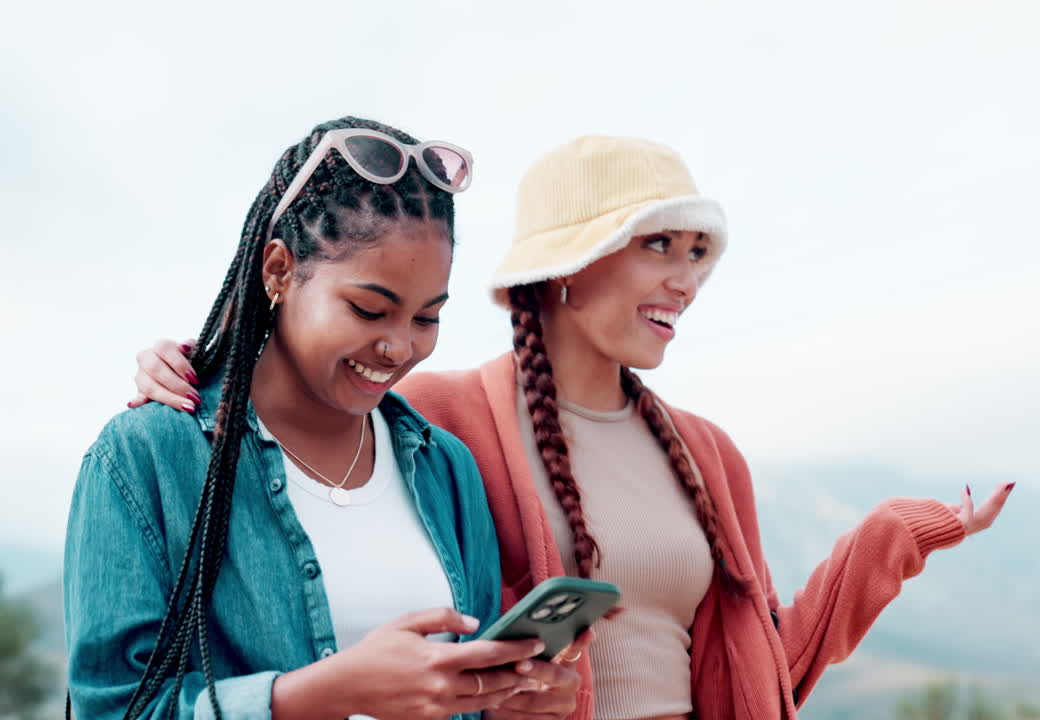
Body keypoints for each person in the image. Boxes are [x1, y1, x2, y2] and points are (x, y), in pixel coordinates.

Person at [128, 135, 1014, 720]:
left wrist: (898, 534)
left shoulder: (711, 455)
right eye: (657, 246)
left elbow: (763, 663)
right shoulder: (436, 422)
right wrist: (196, 370)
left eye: (697, 255)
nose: (685, 281)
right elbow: (304, 402)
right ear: (565, 267)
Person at [65, 117, 590, 720]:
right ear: (279, 271)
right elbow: (113, 710)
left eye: (426, 318)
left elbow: (467, 693)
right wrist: (319, 696)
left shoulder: (444, 468)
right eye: (369, 310)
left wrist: (510, 702)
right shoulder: (149, 456)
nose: (399, 348)